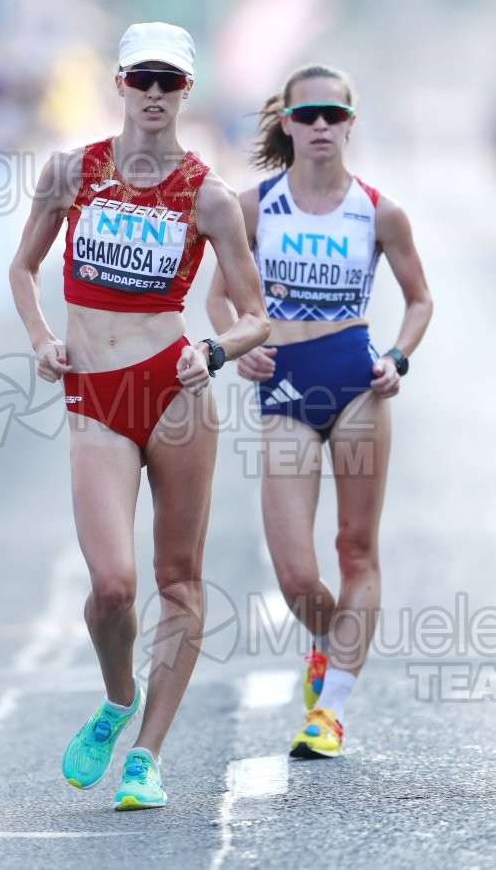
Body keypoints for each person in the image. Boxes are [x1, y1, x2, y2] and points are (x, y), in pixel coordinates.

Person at [9, 21, 269, 809]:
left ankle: (147, 757)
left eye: (170, 81)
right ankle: (118, 699)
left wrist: (217, 353)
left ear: (186, 91)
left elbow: (256, 315)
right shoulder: (72, 172)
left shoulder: (208, 196)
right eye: (142, 78)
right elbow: (23, 267)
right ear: (120, 82)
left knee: (178, 581)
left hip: (177, 389)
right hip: (97, 396)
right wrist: (42, 339)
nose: (154, 94)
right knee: (114, 586)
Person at [206, 64, 433, 758]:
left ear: (351, 123)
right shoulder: (251, 206)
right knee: (297, 574)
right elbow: (220, 299)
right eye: (309, 116)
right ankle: (329, 644)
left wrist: (397, 357)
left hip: (355, 381)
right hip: (285, 386)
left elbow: (420, 299)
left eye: (335, 115)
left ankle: (330, 709)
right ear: (287, 124)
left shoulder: (379, 211)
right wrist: (234, 347)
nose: (322, 127)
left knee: (356, 550)